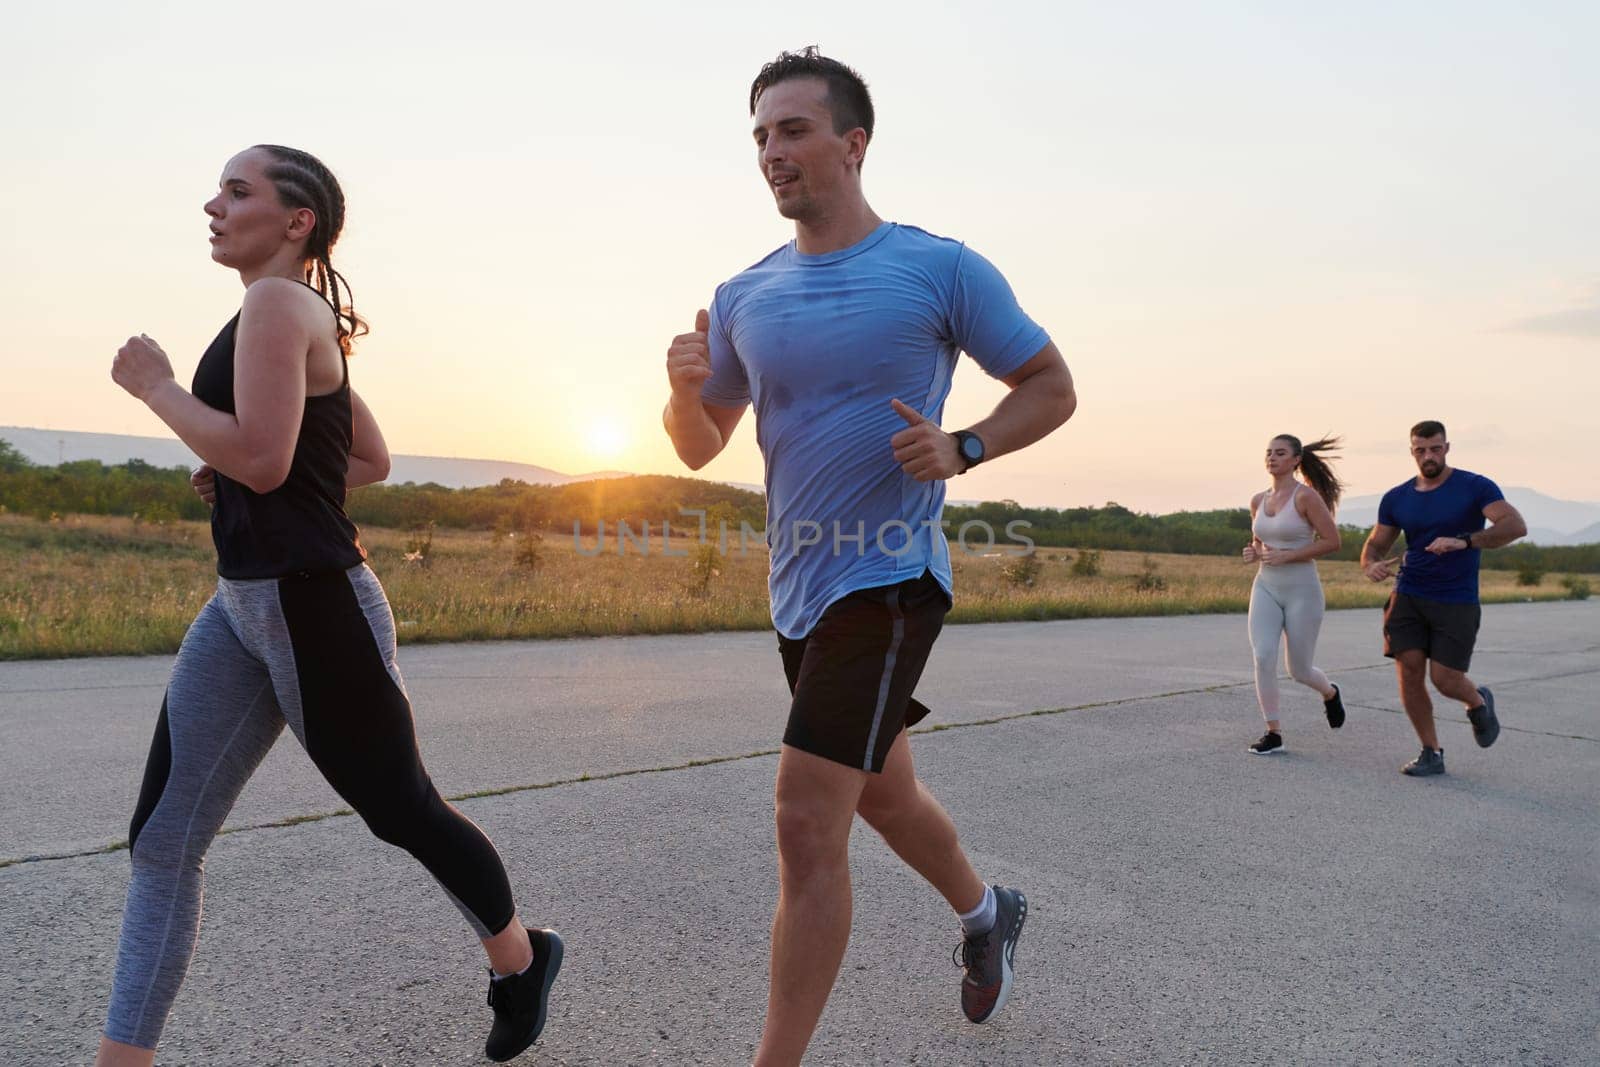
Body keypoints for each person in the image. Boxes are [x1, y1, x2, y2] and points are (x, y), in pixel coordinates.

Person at [661, 48, 1077, 1066]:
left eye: (792, 130)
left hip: (888, 576)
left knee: (808, 821)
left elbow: (1049, 383)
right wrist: (680, 388)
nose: (771, 152)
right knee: (885, 794)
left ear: (852, 143)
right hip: (796, 590)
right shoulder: (744, 292)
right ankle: (988, 912)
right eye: (759, 135)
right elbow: (699, 443)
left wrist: (965, 444)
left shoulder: (936, 267)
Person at [101, 145, 559, 1066]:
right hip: (242, 605)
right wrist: (232, 473)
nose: (214, 204)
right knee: (162, 841)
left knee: (402, 810)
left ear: (297, 219)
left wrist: (159, 389)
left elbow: (267, 458)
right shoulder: (282, 312)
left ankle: (521, 959)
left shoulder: (277, 302)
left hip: (315, 606)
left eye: (238, 190)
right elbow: (358, 458)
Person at [1359, 421, 1526, 776]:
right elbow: (1375, 544)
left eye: (1435, 448)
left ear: (1447, 448)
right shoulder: (1397, 497)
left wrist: (1464, 541)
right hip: (1408, 593)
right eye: (1420, 450)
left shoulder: (1474, 487)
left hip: (1455, 597)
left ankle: (1477, 702)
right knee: (1409, 674)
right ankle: (1430, 752)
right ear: (1412, 451)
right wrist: (1370, 564)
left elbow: (1514, 526)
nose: (1428, 456)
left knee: (1446, 679)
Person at [1241, 435, 1348, 754]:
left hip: (1302, 590)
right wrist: (1254, 552)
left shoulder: (1306, 498)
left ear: (1295, 461)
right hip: (1266, 586)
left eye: (1280, 453)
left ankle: (1330, 693)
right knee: (1262, 656)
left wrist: (1288, 556)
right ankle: (1273, 732)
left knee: (1299, 670)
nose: (1272, 458)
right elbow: (1259, 540)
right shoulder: (1257, 500)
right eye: (1269, 453)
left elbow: (1332, 542)